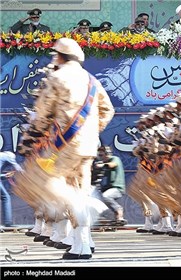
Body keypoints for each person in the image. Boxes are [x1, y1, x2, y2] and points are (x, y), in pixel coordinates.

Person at [15, 37, 115, 259]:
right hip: (88, 146)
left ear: (60, 57)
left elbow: (43, 114)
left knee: (37, 179)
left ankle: (85, 206)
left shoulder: (57, 77)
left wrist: (32, 137)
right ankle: (83, 245)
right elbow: (108, 110)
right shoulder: (92, 80)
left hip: (64, 146)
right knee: (78, 189)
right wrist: (92, 131)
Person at [94, 145, 126, 225]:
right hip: (107, 188)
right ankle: (113, 218)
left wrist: (102, 165)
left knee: (106, 196)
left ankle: (119, 212)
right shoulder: (102, 163)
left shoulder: (114, 159)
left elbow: (113, 164)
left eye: (101, 155)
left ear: (107, 154)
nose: (100, 157)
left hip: (117, 188)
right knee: (95, 198)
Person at [0, 152, 22, 228]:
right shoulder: (9, 156)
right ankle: (8, 223)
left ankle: (8, 222)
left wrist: (4, 176)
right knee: (6, 197)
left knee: (5, 197)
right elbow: (18, 168)